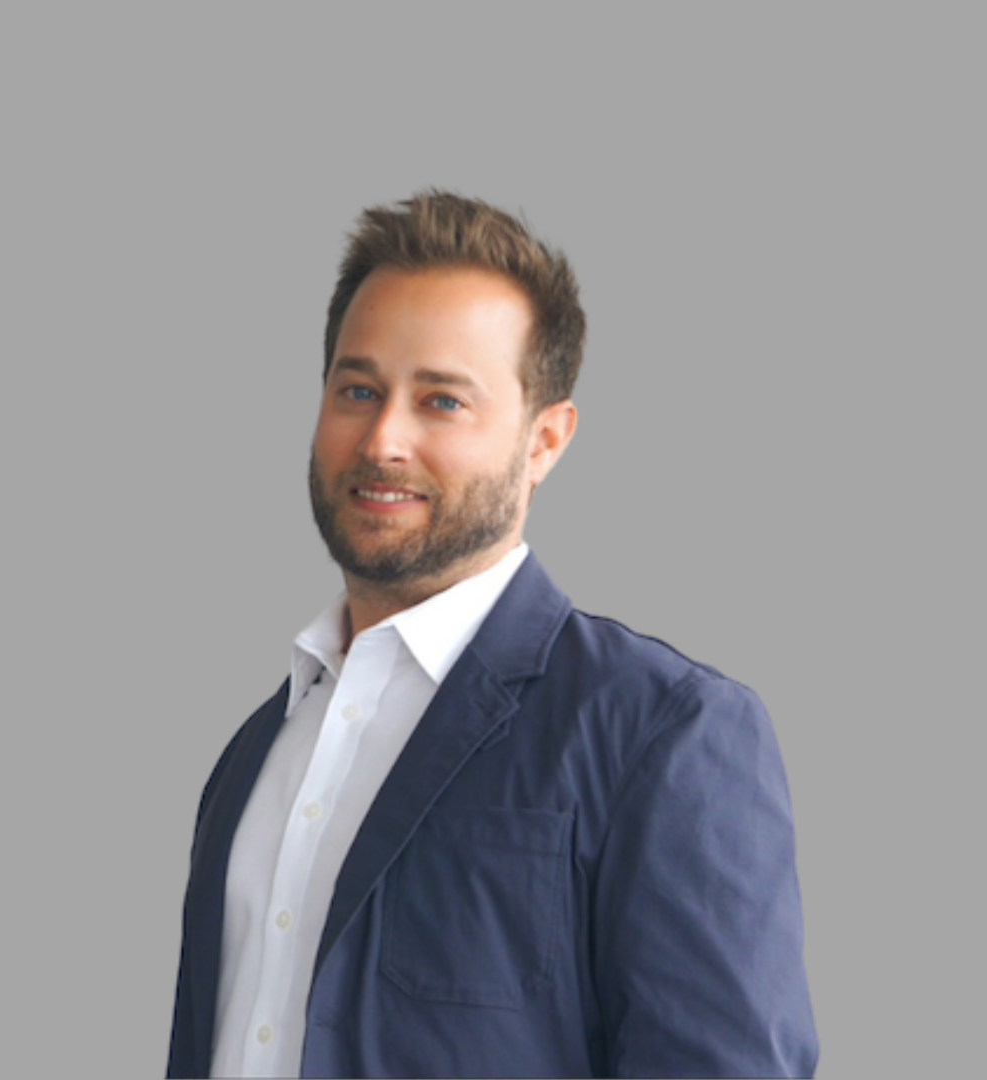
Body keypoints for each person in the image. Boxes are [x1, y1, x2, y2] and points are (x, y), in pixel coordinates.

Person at [167, 191, 818, 1078]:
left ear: (545, 441)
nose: (384, 438)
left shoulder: (661, 733)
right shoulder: (254, 755)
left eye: (442, 401)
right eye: (358, 389)